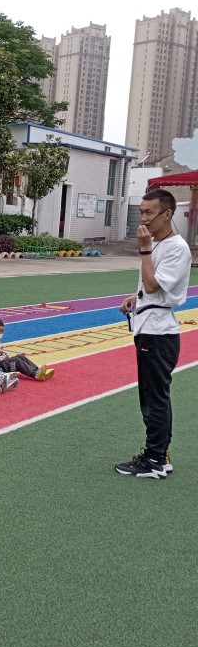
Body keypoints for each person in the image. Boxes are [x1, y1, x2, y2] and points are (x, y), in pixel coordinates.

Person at [116, 188, 193, 479]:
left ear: (167, 214)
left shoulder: (176, 247)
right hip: (150, 327)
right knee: (153, 396)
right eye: (141, 211)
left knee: (154, 398)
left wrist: (145, 250)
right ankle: (160, 455)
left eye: (149, 212)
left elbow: (152, 285)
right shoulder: (160, 243)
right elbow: (151, 288)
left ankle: (154, 459)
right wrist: (136, 298)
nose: (144, 218)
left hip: (158, 333)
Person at [0, 317, 50, 382]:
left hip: (3, 362)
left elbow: (2, 353)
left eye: (2, 332)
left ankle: (38, 370)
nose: (0, 334)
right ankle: (36, 374)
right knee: (16, 361)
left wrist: (5, 357)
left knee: (20, 357)